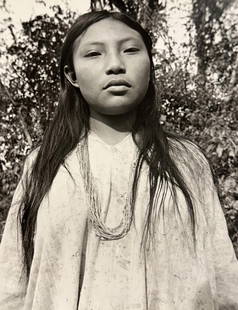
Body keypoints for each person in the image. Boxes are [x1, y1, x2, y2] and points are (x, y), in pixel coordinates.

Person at [0, 9, 237, 310]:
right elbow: (11, 286)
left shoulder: (186, 161)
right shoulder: (43, 164)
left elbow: (225, 279)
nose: (115, 65)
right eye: (94, 54)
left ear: (150, 65)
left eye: (130, 50)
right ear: (71, 74)